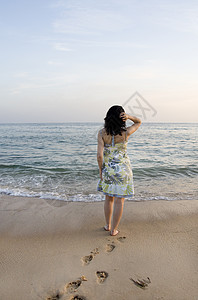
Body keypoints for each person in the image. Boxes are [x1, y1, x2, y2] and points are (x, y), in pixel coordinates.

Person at [97, 105, 141, 236]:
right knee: (119, 201)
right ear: (122, 118)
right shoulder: (126, 132)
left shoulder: (101, 133)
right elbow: (138, 122)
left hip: (109, 171)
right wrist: (129, 117)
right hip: (123, 171)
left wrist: (101, 170)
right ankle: (114, 230)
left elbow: (99, 156)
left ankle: (107, 225)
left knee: (108, 198)